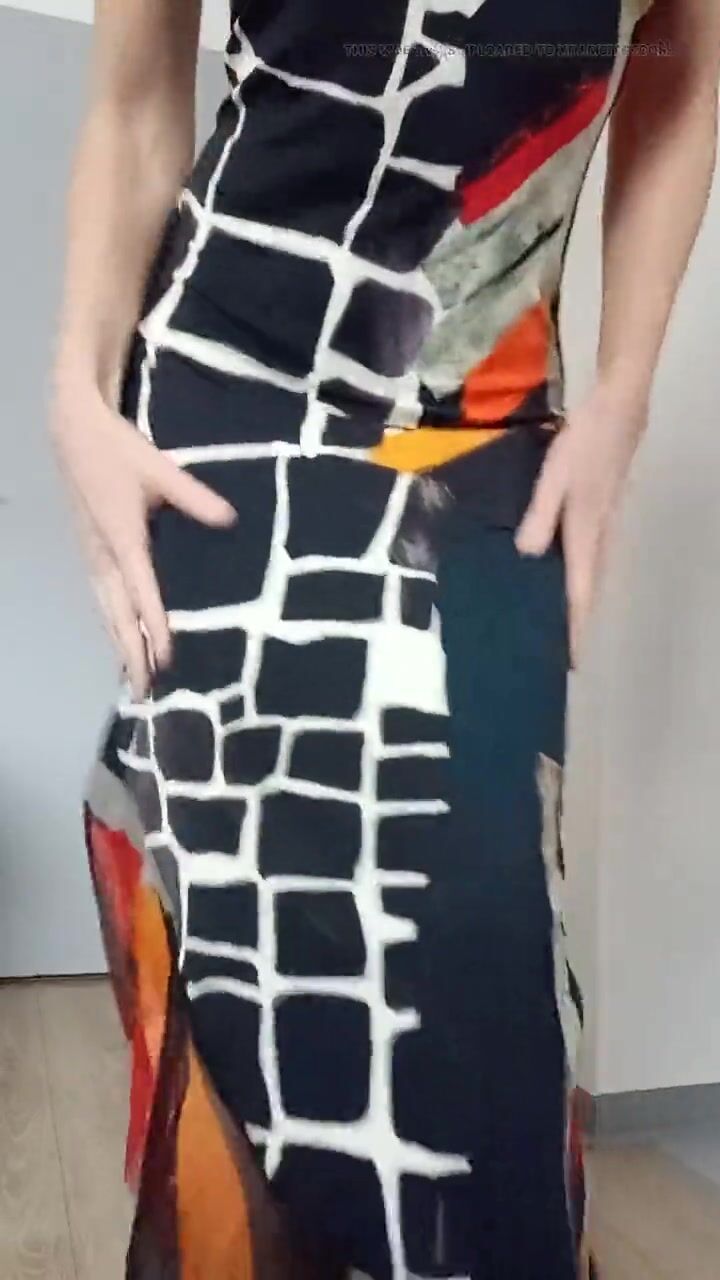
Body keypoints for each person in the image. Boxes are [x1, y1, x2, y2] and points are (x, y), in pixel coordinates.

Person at [51, 1, 720, 1276]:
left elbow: (684, 69)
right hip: (221, 410)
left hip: (485, 423)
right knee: (247, 964)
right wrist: (78, 391)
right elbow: (134, 104)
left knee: (485, 956)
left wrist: (624, 396)